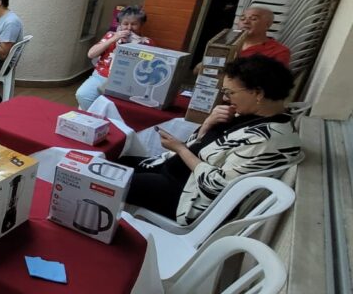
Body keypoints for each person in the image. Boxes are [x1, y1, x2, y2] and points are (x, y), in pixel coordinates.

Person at [121, 55, 303, 224]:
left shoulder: (267, 139)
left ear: (258, 93)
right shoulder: (251, 115)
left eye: (229, 92)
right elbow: (202, 146)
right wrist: (207, 124)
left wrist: (181, 150)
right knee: (120, 161)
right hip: (175, 173)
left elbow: (217, 186)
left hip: (188, 196)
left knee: (114, 181)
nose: (225, 98)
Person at [75, 5, 154, 110]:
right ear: (120, 24)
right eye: (125, 24)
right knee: (82, 95)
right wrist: (113, 39)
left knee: (119, 106)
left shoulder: (147, 42)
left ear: (141, 24)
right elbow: (91, 54)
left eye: (134, 24)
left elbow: (148, 67)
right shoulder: (111, 36)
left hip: (127, 81)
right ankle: (94, 115)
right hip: (102, 75)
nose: (129, 28)